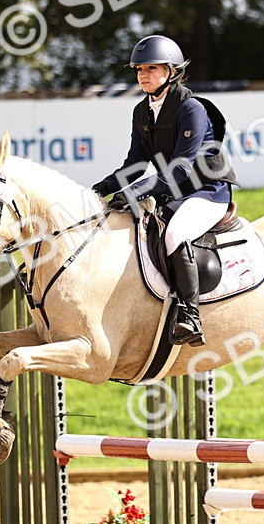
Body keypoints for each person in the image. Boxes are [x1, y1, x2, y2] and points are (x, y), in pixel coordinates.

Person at [91, 35, 238, 347]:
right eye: (139, 69)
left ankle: (191, 315)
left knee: (175, 233)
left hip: (208, 191)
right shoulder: (141, 111)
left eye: (151, 68)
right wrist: (102, 188)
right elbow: (135, 163)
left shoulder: (191, 109)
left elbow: (182, 169)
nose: (143, 75)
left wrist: (137, 191)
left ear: (171, 71)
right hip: (175, 191)